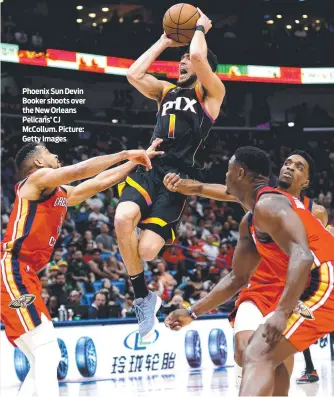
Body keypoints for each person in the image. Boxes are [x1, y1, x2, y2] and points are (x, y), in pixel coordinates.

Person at [164, 146, 334, 397]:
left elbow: (303, 254)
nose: (224, 175)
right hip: (294, 283)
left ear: (240, 173)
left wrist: (281, 312)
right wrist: (192, 311)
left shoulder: (270, 204)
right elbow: (238, 278)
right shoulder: (251, 218)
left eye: (228, 170)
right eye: (287, 163)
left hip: (321, 279)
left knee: (259, 352)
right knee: (258, 352)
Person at [0, 139, 162, 397]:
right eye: (50, 153)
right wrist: (124, 153)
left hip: (25, 274)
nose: (56, 156)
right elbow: (79, 171)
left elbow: (95, 183)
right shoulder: (38, 179)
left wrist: (134, 163)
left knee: (46, 356)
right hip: (12, 269)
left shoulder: (59, 192)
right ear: (39, 162)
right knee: (46, 352)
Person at [114, 9, 226, 340]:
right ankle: (141, 297)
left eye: (188, 62)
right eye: (180, 61)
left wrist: (202, 28)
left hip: (177, 180)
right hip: (150, 166)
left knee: (146, 251)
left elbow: (195, 53)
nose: (183, 63)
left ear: (206, 68)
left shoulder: (211, 94)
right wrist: (164, 40)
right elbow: (133, 74)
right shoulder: (165, 91)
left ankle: (145, 283)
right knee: (122, 220)